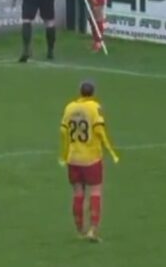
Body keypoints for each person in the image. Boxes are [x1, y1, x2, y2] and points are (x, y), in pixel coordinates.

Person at [59, 81, 120, 242]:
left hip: (73, 158)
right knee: (95, 191)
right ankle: (93, 230)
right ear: (93, 93)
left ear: (80, 91)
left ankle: (80, 230)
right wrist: (111, 151)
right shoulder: (94, 107)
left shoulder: (69, 107)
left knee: (78, 192)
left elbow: (63, 132)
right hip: (91, 158)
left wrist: (65, 153)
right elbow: (99, 130)